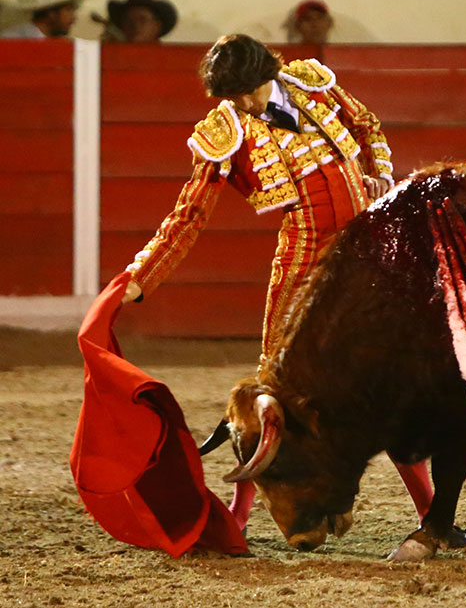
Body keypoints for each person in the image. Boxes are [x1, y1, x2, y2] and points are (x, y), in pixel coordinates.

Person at [119, 34, 434, 531]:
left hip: (361, 250)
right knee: (272, 387)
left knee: (386, 379)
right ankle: (239, 518)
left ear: (270, 71)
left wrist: (379, 175)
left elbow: (368, 126)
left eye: (250, 89)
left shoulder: (312, 86)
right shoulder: (226, 130)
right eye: (233, 96)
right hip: (303, 253)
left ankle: (432, 516)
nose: (244, 103)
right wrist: (141, 275)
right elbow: (190, 212)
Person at [0, 0, 99, 38]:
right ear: (51, 13)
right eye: (69, 10)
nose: (74, 18)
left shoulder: (61, 42)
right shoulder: (13, 38)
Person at [97, 0, 177, 43]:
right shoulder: (114, 57)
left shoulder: (170, 59)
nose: (135, 25)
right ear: (123, 26)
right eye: (129, 21)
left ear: (156, 26)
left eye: (142, 20)